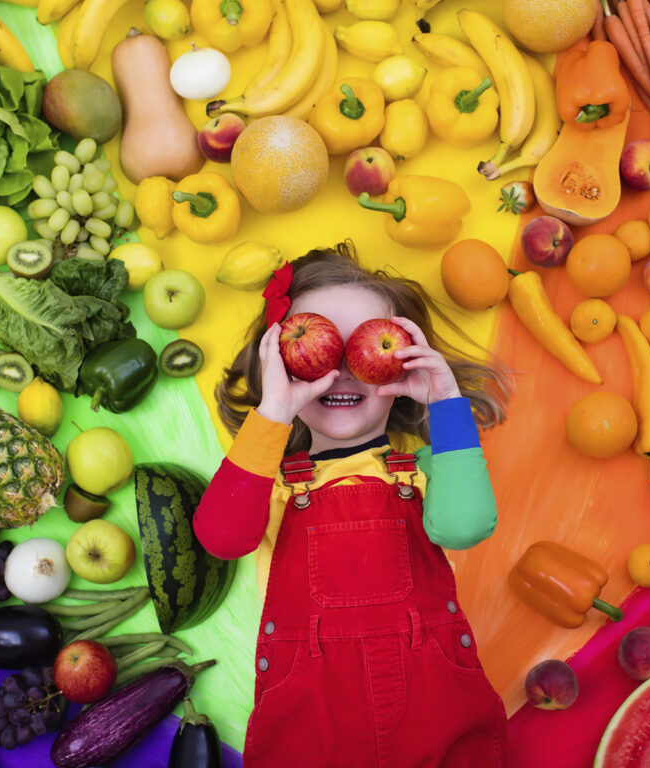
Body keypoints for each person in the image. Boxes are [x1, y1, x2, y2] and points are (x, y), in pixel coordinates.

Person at [194, 241, 512, 767]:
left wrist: (445, 402)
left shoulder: (430, 469)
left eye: (366, 346)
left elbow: (464, 526)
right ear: (279, 361)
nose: (340, 370)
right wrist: (274, 408)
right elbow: (222, 537)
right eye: (317, 347)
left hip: (437, 718)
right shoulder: (267, 484)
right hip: (310, 727)